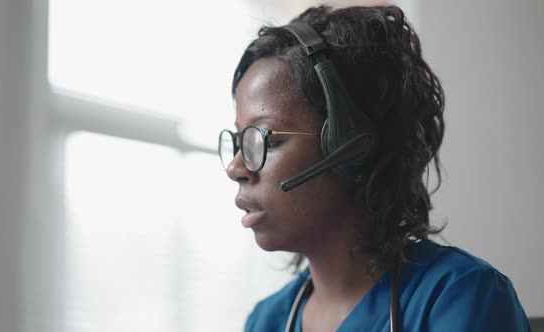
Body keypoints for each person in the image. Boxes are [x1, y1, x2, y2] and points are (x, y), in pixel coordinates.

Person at [218, 5, 531, 332]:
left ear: (349, 144)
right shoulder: (265, 321)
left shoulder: (460, 297)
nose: (235, 167)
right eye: (239, 141)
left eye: (264, 139)